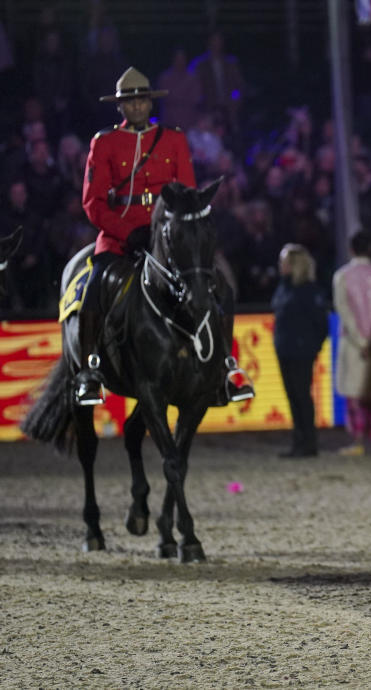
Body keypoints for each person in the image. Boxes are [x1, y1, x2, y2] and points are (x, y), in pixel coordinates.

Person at [78, 66, 253, 405]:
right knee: (94, 287)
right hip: (121, 235)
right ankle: (89, 371)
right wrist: (127, 233)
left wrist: (177, 232)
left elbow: (186, 192)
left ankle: (226, 367)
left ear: (150, 102)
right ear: (120, 107)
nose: (137, 106)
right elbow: (93, 203)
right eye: (130, 102)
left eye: (142, 99)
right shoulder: (105, 142)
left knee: (221, 288)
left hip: (169, 237)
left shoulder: (173, 138)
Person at [333, 231, 371, 456]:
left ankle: (357, 440)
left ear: (351, 249)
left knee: (354, 395)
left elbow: (344, 310)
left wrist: (360, 340)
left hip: (354, 343)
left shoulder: (342, 276)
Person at [272, 244, 329, 458]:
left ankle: (308, 441)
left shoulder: (308, 291)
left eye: (284, 261)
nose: (280, 265)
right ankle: (299, 441)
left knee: (302, 396)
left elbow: (320, 324)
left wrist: (312, 346)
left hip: (301, 351)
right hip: (284, 349)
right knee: (293, 396)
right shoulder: (284, 287)